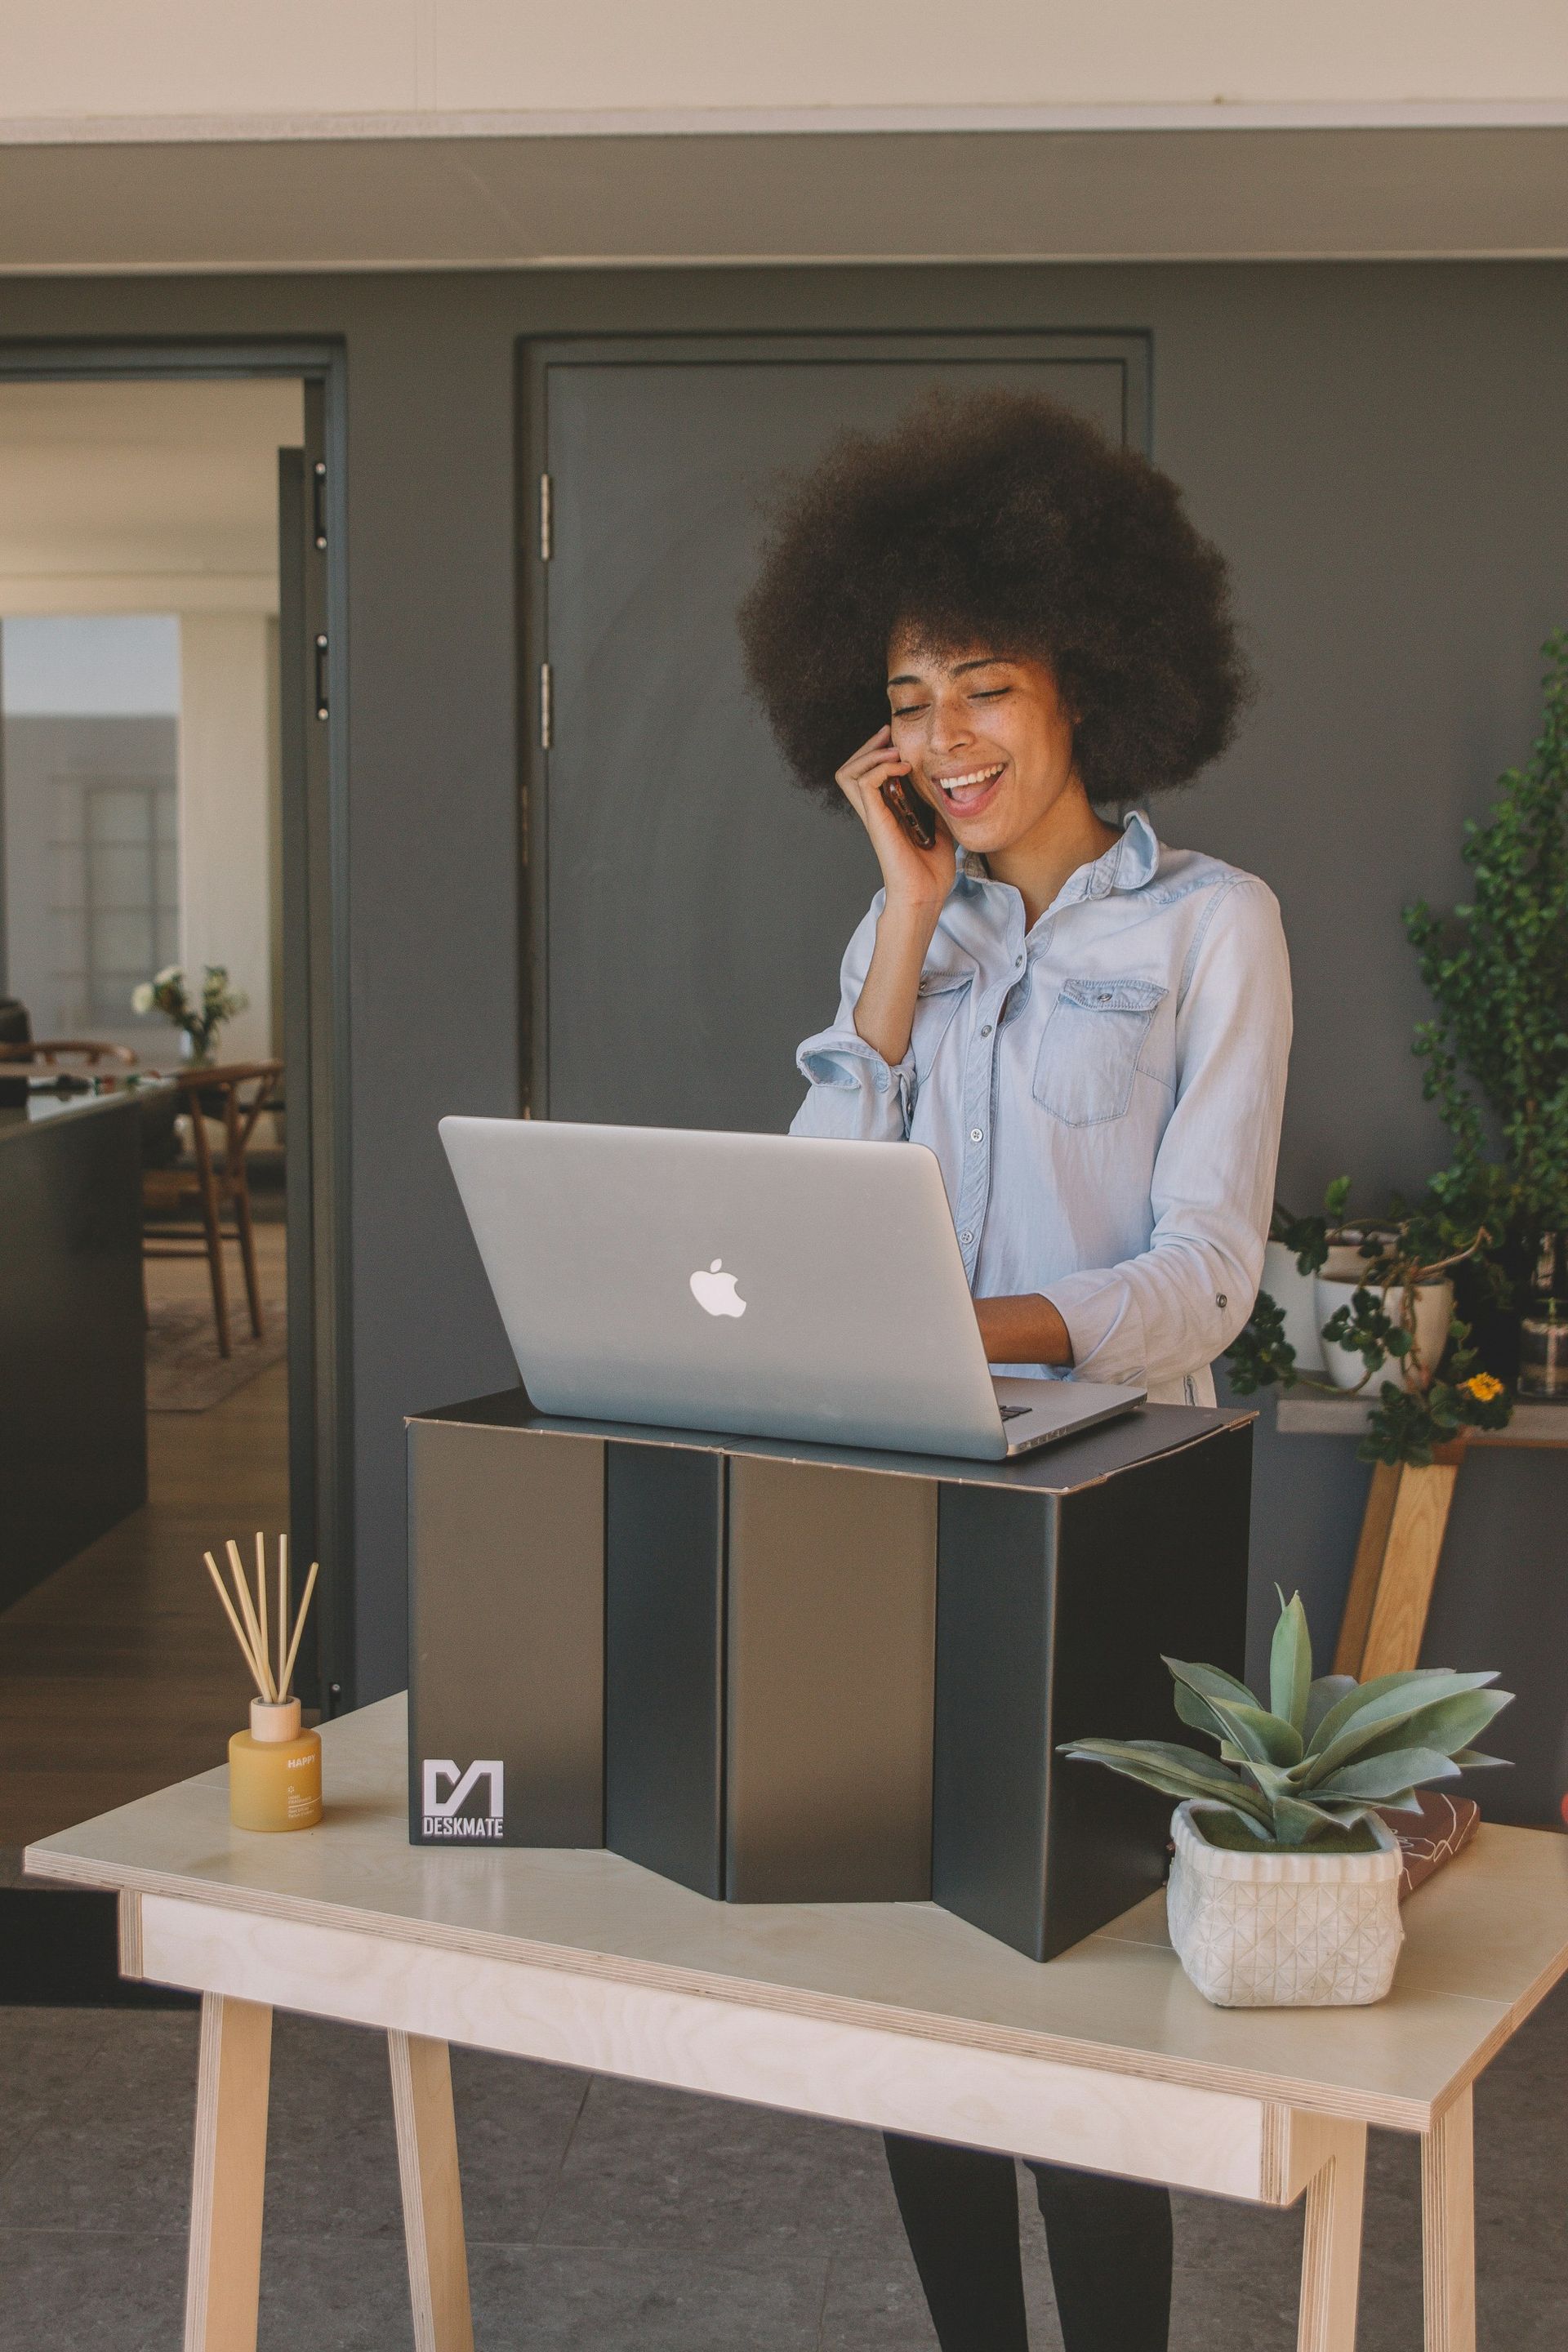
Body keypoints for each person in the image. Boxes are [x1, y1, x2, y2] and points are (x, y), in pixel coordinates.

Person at [737, 390, 1291, 2351]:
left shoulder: (1218, 928)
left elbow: (1209, 1278)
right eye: (911, 694)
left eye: (986, 683)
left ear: (1094, 682)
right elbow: (821, 1216)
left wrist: (973, 1321)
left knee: (1073, 1993)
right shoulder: (909, 943)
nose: (947, 736)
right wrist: (899, 919)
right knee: (918, 1995)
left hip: (1116, 1508)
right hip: (909, 1501)